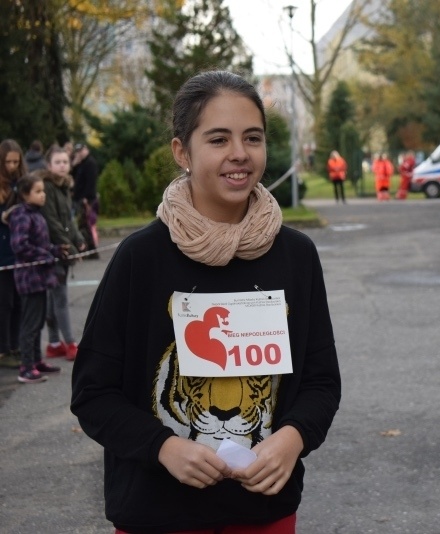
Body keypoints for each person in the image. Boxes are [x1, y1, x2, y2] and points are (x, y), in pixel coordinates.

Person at [70, 70, 341, 534]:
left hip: (264, 513)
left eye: (252, 138)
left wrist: (293, 438)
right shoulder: (141, 259)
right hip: (156, 514)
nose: (239, 154)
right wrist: (163, 446)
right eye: (218, 139)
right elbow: (93, 394)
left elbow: (321, 382)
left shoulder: (296, 256)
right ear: (182, 152)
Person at [7, 173, 65, 383]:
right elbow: (20, 246)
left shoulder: (37, 215)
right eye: (38, 191)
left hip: (41, 278)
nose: (43, 195)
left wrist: (56, 250)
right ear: (24, 194)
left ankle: (36, 361)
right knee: (30, 324)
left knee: (38, 322)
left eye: (43, 191)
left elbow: (41, 245)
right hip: (29, 279)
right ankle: (26, 367)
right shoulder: (21, 215)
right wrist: (46, 256)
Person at [39, 146, 86, 361]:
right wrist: (70, 247)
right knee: (60, 297)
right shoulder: (46, 187)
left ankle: (54, 343)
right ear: (49, 165)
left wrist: (79, 239)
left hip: (64, 248)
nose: (62, 165)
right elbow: (52, 222)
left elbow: (69, 220)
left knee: (53, 298)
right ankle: (70, 343)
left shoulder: (65, 186)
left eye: (65, 162)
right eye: (57, 162)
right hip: (52, 250)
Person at [0, 139, 25, 369]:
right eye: (8, 162)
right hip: (3, 254)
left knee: (18, 302)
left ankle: (16, 346)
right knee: (4, 302)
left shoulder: (21, 183)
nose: (12, 166)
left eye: (16, 162)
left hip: (19, 254)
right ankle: (3, 348)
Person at [71, 141, 99, 257]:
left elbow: (90, 182)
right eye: (77, 151)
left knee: (86, 225)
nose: (80, 153)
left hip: (87, 199)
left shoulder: (90, 163)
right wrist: (74, 164)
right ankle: (87, 249)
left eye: (81, 150)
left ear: (86, 149)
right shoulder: (81, 164)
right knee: (83, 225)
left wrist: (86, 197)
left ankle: (91, 251)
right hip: (80, 198)